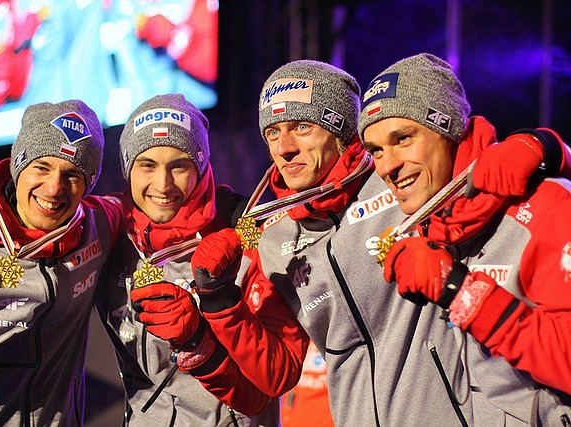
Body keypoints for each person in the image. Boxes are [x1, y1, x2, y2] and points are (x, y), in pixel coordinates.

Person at [183, 59, 571, 426]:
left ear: (340, 132)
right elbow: (276, 373)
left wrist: (543, 147)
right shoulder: (271, 236)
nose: (284, 146)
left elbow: (470, 164)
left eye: (301, 127)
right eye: (272, 132)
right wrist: (218, 299)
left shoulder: (407, 192)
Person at [358, 53, 571, 424]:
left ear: (449, 130)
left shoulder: (546, 205)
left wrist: (458, 290)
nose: (387, 166)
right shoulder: (426, 224)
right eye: (376, 150)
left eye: (403, 139)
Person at [93, 93, 308, 425]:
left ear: (202, 166)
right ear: (127, 170)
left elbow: (273, 383)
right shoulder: (109, 235)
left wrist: (203, 334)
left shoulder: (248, 238)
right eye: (147, 165)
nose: (162, 185)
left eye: (179, 166)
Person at [0, 100, 123, 425]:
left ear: (88, 185)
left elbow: (161, 211)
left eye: (72, 174)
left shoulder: (99, 224)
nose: (54, 188)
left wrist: (234, 214)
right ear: (19, 165)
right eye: (41, 167)